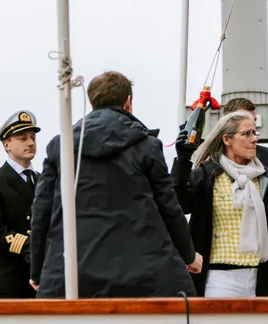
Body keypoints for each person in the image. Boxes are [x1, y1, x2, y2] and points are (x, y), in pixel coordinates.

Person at [29, 71, 202, 298]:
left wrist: (37, 271)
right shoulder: (147, 146)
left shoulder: (60, 146)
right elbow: (169, 208)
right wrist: (189, 256)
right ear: (128, 102)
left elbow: (41, 211)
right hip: (142, 271)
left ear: (92, 102)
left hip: (72, 271)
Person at [173, 110, 268, 297]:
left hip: (264, 281)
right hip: (219, 280)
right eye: (246, 134)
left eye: (254, 133)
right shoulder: (206, 176)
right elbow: (180, 203)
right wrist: (182, 161)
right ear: (227, 139)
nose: (254, 139)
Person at [0, 110, 41, 298]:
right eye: (22, 138)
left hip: (44, 276)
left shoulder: (44, 181)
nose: (30, 143)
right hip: (10, 279)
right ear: (7, 145)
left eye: (33, 137)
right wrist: (32, 245)